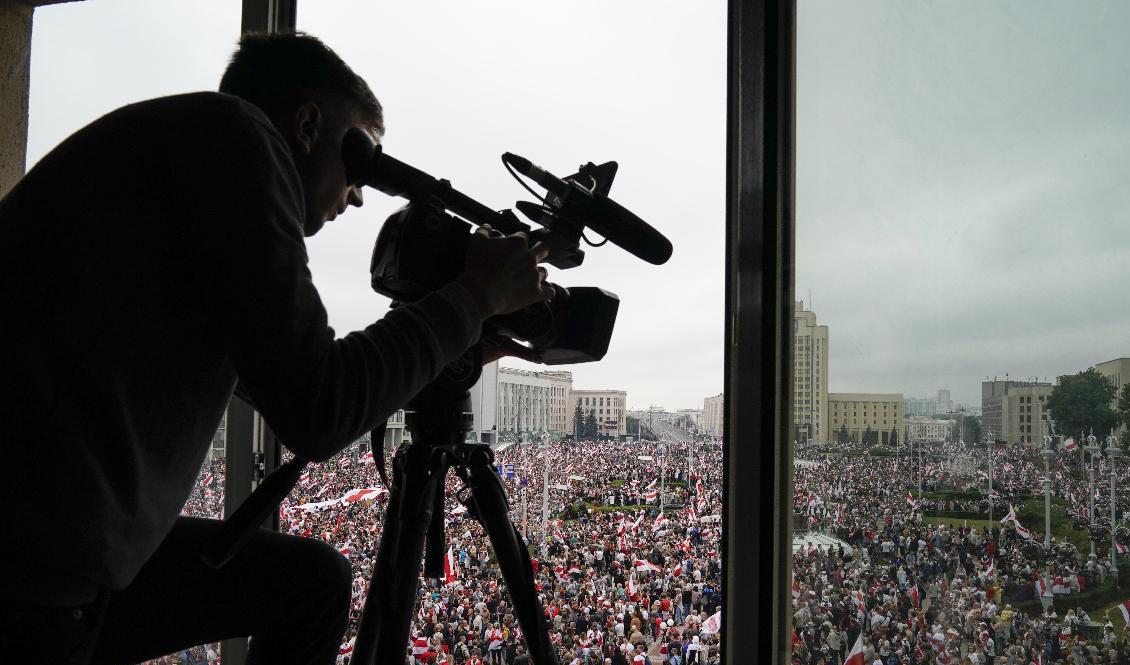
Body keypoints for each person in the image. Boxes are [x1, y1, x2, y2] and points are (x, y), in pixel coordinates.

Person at [0, 32, 549, 664]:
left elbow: (300, 381)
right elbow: (320, 408)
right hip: (28, 582)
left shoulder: (171, 173)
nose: (360, 194)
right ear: (308, 124)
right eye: (362, 160)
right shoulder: (235, 137)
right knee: (306, 585)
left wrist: (459, 351)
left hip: (43, 551)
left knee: (308, 583)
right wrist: (473, 296)